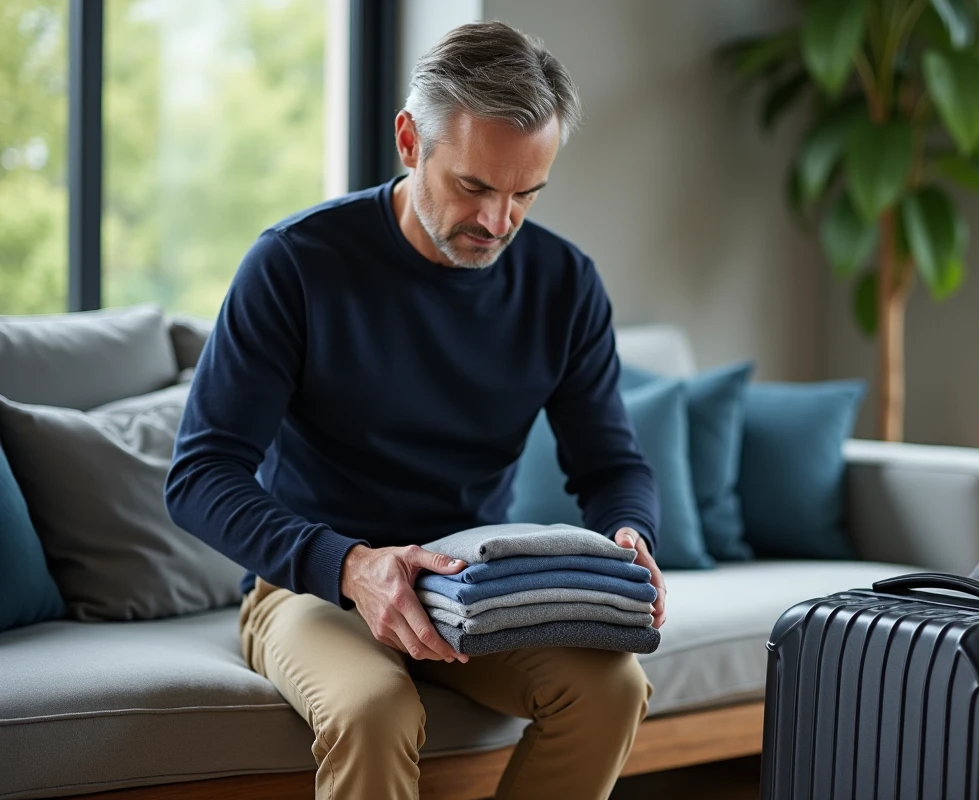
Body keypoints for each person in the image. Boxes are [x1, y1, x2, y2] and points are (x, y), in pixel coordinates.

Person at [165, 20, 667, 800]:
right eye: (474, 186)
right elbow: (199, 476)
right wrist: (353, 565)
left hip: (477, 595)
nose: (498, 222)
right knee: (373, 708)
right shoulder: (295, 264)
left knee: (612, 689)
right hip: (312, 587)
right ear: (409, 140)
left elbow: (612, 466)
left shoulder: (564, 284)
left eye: (525, 194)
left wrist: (629, 539)